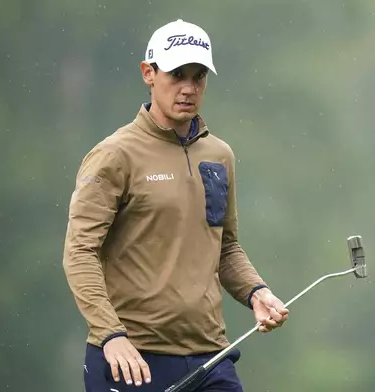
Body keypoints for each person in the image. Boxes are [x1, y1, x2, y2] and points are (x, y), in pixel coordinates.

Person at [62, 18, 289, 391]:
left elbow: (225, 246)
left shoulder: (219, 155)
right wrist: (110, 335)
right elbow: (80, 252)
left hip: (210, 356)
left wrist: (255, 292)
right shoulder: (114, 155)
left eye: (198, 76)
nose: (188, 88)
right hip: (132, 358)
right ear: (148, 73)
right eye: (176, 74)